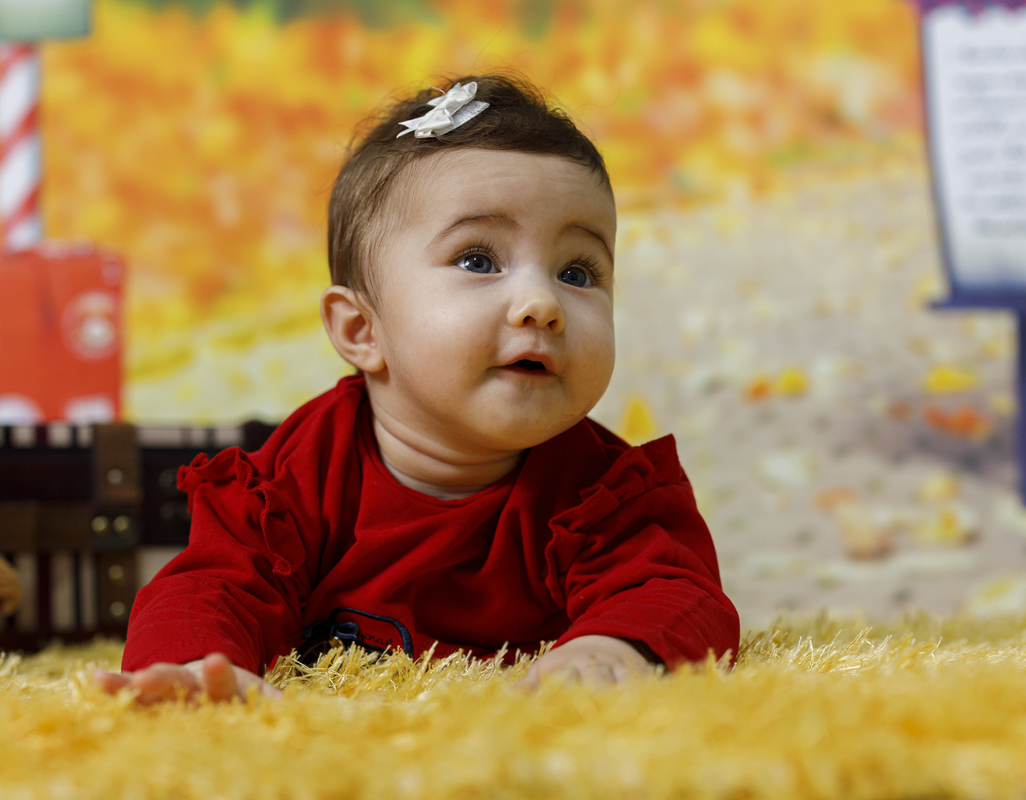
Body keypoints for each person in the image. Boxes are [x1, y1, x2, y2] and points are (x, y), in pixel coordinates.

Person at [95, 73, 739, 705]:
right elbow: (213, 586)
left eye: (578, 271)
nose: (542, 303)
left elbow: (677, 591)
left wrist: (611, 648)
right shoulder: (299, 475)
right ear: (362, 330)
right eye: (478, 260)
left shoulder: (602, 493)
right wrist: (196, 669)